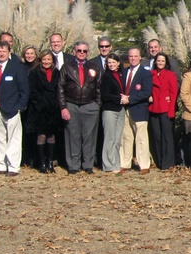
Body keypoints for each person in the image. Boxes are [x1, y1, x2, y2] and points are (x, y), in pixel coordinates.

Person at [0, 41, 30, 175]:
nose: (1, 54)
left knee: (14, 138)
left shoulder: (16, 67)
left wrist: (20, 107)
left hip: (12, 108)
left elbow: (24, 90)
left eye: (4, 51)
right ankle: (0, 165)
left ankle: (13, 167)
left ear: (9, 52)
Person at [58, 41, 102, 174]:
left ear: (88, 52)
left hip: (90, 106)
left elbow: (99, 87)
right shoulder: (66, 67)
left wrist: (97, 105)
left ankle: (88, 164)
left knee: (89, 136)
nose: (82, 53)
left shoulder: (94, 67)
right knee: (73, 136)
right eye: (79, 50)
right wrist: (63, 107)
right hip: (72, 105)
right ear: (74, 51)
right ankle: (73, 165)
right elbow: (60, 88)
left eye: (84, 51)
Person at [120, 48, 153, 174]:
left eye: (135, 56)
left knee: (141, 139)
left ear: (140, 58)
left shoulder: (145, 73)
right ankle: (125, 163)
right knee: (126, 137)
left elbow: (146, 92)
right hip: (125, 110)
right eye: (131, 56)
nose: (133, 58)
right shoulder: (124, 71)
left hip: (139, 109)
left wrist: (130, 99)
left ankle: (144, 165)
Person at [27, 51, 61, 173]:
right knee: (41, 136)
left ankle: (50, 162)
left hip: (53, 108)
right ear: (40, 60)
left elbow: (59, 89)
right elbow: (32, 91)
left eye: (49, 59)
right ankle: (41, 163)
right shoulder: (34, 73)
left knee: (51, 136)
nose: (46, 62)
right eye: (44, 59)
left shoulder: (57, 73)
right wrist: (41, 104)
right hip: (39, 109)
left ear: (53, 61)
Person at [147, 53, 179, 170]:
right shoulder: (151, 74)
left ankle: (168, 162)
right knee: (157, 136)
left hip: (166, 109)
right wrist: (148, 96)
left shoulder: (171, 75)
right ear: (155, 62)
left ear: (166, 63)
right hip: (154, 108)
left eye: (162, 61)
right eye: (158, 60)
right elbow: (147, 89)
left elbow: (173, 93)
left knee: (167, 137)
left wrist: (171, 111)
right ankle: (159, 161)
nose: (160, 63)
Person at [98, 53, 126, 173]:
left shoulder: (121, 75)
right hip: (109, 110)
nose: (111, 64)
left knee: (117, 138)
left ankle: (116, 163)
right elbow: (104, 95)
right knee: (109, 138)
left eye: (113, 62)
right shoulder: (106, 77)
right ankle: (109, 165)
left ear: (118, 63)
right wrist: (119, 99)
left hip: (120, 110)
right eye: (109, 62)